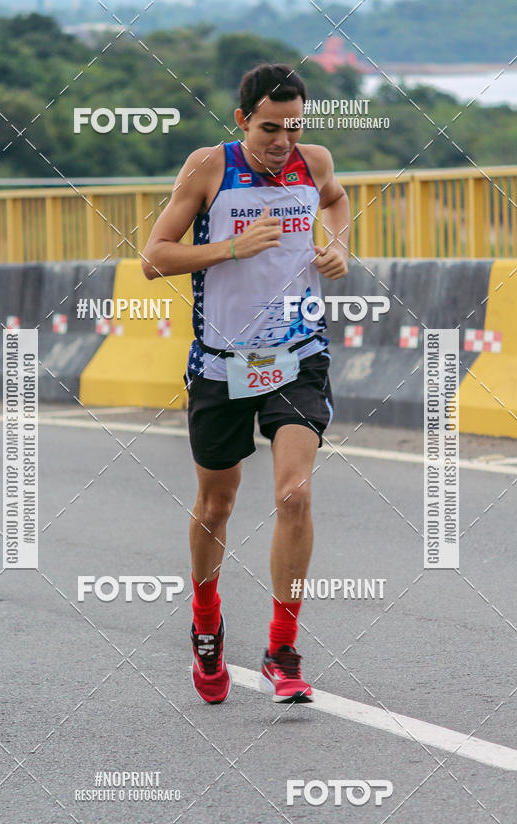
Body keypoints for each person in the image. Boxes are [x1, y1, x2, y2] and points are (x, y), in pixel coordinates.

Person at [142, 63, 350, 704]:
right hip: (221, 364)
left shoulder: (313, 163)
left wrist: (339, 245)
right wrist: (231, 248)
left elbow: (337, 201)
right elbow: (154, 258)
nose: (283, 141)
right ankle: (206, 625)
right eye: (269, 129)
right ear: (242, 120)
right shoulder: (209, 168)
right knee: (217, 506)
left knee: (294, 495)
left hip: (298, 354)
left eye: (294, 127)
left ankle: (282, 650)